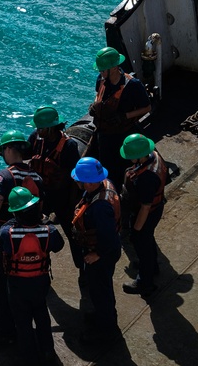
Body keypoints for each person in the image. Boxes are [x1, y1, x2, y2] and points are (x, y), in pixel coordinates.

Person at [0, 130, 44, 346]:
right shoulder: (36, 176)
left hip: (9, 238)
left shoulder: (3, 176)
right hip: (33, 238)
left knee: (2, 284)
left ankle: (6, 331)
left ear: (8, 149)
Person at [0, 187, 64, 366]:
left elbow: (5, 244)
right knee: (42, 314)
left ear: (15, 213)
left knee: (22, 321)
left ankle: (29, 357)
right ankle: (47, 350)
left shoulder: (7, 233)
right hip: (40, 281)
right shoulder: (49, 231)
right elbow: (59, 246)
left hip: (17, 284)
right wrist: (45, 221)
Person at [70, 157, 122, 342]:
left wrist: (97, 254)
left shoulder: (100, 207)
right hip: (102, 250)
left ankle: (106, 330)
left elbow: (108, 237)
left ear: (89, 183)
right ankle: (102, 316)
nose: (77, 182)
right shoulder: (104, 183)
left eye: (79, 180)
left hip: (101, 254)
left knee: (101, 292)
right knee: (100, 289)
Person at [87, 47, 151, 190]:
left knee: (123, 167)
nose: (101, 73)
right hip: (104, 133)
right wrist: (94, 105)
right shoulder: (101, 79)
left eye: (103, 70)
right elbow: (99, 95)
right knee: (105, 165)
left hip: (123, 133)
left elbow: (147, 107)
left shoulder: (132, 85)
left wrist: (124, 116)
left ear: (114, 68)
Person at [26, 105, 83, 266]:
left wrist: (74, 204)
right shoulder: (36, 138)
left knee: (73, 233)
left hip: (62, 196)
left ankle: (82, 266)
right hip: (42, 194)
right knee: (32, 227)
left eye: (41, 128)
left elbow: (75, 178)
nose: (37, 131)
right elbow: (25, 153)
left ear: (51, 128)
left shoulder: (68, 146)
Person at [120, 134, 170, 296]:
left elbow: (145, 207)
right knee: (148, 240)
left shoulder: (146, 178)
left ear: (139, 156)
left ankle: (145, 283)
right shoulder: (154, 155)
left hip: (147, 213)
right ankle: (151, 266)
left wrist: (136, 229)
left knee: (142, 244)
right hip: (157, 207)